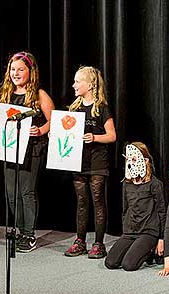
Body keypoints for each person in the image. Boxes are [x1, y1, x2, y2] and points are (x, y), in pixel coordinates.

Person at [0, 51, 55, 252]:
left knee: (26, 192)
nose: (15, 73)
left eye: (20, 69)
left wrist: (41, 129)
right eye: (12, 69)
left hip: (32, 150)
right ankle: (18, 230)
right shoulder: (6, 93)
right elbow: (3, 121)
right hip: (10, 149)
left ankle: (29, 234)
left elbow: (54, 119)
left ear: (30, 71)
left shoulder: (39, 94)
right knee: (11, 193)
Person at [64, 66, 116, 259]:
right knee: (82, 202)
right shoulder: (74, 108)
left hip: (97, 163)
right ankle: (80, 241)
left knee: (97, 201)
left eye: (78, 81)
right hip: (78, 162)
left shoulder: (101, 108)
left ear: (90, 84)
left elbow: (111, 136)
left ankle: (99, 243)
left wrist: (94, 137)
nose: (74, 85)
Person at [104, 142, 166, 270]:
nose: (130, 163)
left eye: (133, 159)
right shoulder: (127, 184)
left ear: (144, 160)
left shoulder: (155, 184)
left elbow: (162, 211)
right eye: (128, 159)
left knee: (129, 265)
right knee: (111, 263)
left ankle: (149, 252)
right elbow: (125, 209)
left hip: (148, 231)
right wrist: (125, 230)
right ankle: (136, 249)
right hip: (130, 231)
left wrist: (162, 238)